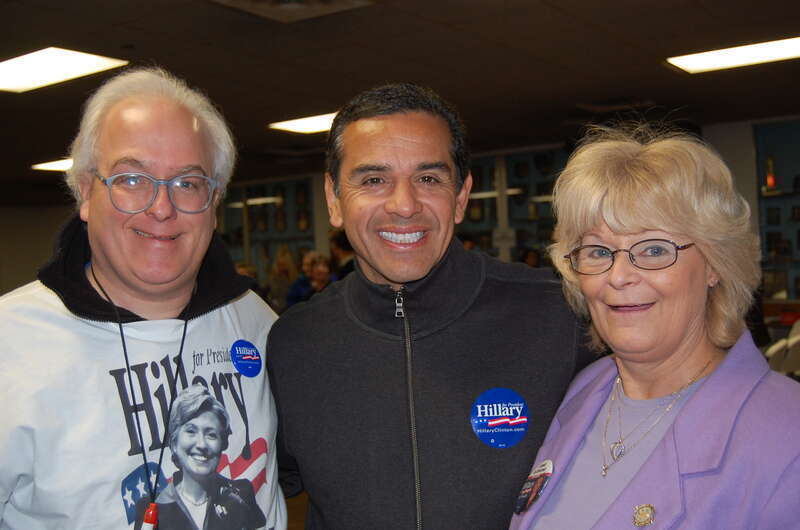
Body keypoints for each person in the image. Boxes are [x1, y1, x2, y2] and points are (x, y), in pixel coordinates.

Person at [267, 83, 592, 529]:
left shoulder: (562, 314)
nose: (404, 205)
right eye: (373, 180)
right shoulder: (293, 344)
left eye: (429, 179)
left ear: (460, 197)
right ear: (334, 199)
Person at [0, 67, 286, 529]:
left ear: (214, 205)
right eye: (132, 179)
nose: (161, 207)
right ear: (86, 193)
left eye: (188, 183)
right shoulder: (10, 345)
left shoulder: (258, 324)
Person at [509, 125, 800, 530]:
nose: (620, 275)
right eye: (598, 251)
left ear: (715, 264)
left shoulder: (787, 436)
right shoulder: (585, 389)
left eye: (654, 249)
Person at [134, 385, 266, 529]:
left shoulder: (240, 495)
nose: (202, 444)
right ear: (174, 443)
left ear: (223, 443)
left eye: (211, 434)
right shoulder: (152, 506)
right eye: (191, 431)